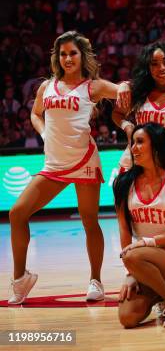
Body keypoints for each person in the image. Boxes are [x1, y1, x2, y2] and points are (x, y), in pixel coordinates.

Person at [9, 31, 128, 304]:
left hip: (84, 160)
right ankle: (20, 279)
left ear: (82, 56)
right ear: (57, 57)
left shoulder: (92, 87)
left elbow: (124, 89)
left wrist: (134, 91)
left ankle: (95, 281)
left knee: (89, 221)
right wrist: (42, 133)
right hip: (53, 164)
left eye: (73, 53)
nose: (67, 58)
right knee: (17, 214)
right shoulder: (46, 87)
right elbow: (35, 113)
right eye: (63, 54)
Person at [114, 122, 165, 328]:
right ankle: (160, 295)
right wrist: (130, 273)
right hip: (141, 260)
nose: (133, 148)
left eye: (140, 142)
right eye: (132, 143)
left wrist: (145, 243)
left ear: (157, 145)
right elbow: (124, 230)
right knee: (128, 317)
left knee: (132, 254)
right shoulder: (123, 183)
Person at [112, 40, 165, 172]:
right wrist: (127, 127)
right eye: (154, 64)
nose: (162, 68)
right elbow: (117, 113)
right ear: (147, 68)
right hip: (132, 164)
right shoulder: (139, 91)